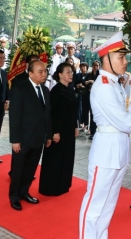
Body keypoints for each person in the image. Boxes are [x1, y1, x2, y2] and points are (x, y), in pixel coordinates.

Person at [79, 34, 131, 238]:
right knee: (95, 205)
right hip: (106, 151)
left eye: (125, 58)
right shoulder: (104, 86)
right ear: (106, 59)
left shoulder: (115, 83)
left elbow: (122, 112)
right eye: (121, 58)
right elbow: (123, 121)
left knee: (109, 203)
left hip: (118, 150)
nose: (125, 62)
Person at [9, 60, 52, 211]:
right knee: (19, 169)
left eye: (45, 71)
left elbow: (47, 115)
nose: (44, 74)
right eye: (40, 72)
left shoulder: (45, 90)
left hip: (38, 138)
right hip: (23, 138)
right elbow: (14, 117)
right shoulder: (20, 89)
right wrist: (15, 140)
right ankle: (14, 196)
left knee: (31, 168)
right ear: (31, 73)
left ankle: (24, 191)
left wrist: (48, 135)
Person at [39, 62, 78, 196]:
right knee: (55, 159)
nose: (70, 74)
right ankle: (51, 187)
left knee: (66, 157)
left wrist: (75, 126)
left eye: (71, 72)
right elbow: (52, 114)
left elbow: (74, 111)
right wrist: (54, 132)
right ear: (60, 75)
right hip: (58, 131)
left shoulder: (71, 89)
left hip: (68, 130)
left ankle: (63, 184)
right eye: (67, 72)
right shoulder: (55, 91)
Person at [85, 60, 100, 139]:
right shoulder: (89, 75)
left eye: (97, 66)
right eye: (94, 65)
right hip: (90, 96)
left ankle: (97, 131)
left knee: (97, 114)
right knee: (91, 114)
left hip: (98, 98)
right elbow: (84, 83)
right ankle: (92, 131)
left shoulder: (100, 75)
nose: (95, 67)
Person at [75, 62, 89, 131]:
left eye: (84, 67)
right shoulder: (77, 75)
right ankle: (80, 122)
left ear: (87, 68)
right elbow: (74, 83)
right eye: (81, 67)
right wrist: (77, 85)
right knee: (79, 108)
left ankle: (86, 124)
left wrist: (84, 86)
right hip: (78, 94)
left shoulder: (89, 75)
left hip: (86, 94)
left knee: (85, 109)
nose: (83, 68)